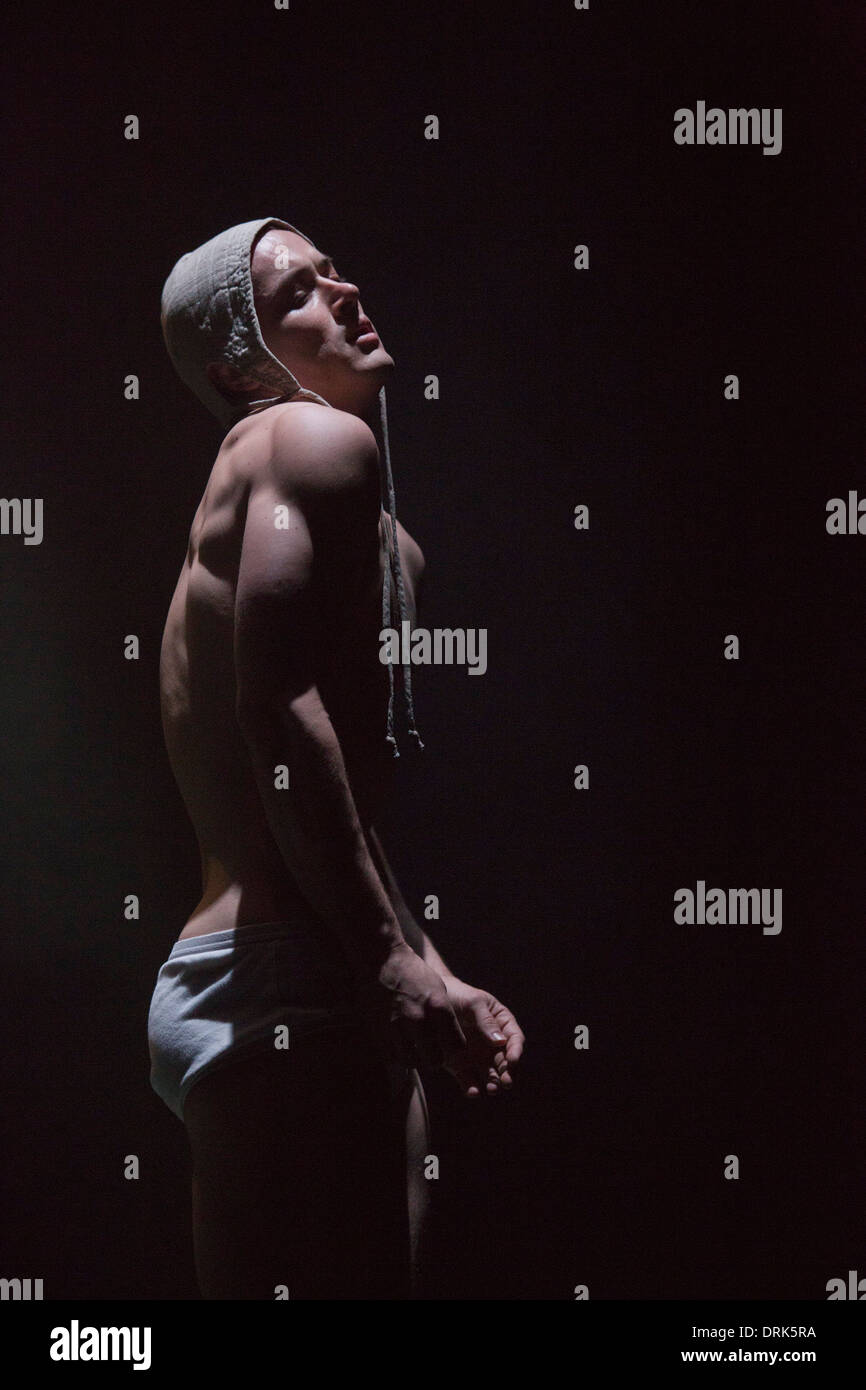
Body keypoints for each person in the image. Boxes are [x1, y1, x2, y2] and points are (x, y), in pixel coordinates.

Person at [147, 217, 525, 1299]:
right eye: (297, 296)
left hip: (260, 971)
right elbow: (274, 705)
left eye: (332, 270)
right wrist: (382, 958)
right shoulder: (302, 443)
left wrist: (424, 957)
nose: (346, 291)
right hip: (287, 983)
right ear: (237, 364)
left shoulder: (349, 507)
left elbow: (329, 786)